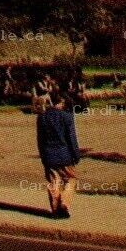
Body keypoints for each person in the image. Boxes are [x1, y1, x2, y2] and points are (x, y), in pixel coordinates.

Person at [37, 91, 83, 219]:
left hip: (48, 155)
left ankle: (55, 209)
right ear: (61, 102)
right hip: (65, 155)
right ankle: (64, 203)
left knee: (54, 181)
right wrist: (76, 154)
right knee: (71, 179)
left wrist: (43, 156)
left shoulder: (42, 117)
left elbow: (40, 139)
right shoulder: (67, 117)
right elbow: (71, 138)